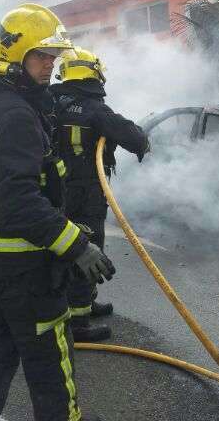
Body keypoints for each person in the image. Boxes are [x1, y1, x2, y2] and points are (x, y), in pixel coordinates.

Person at [0, 3, 115, 421]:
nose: (50, 65)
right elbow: (18, 202)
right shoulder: (16, 115)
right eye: (41, 55)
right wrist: (76, 244)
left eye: (53, 56)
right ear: (15, 54)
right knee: (51, 369)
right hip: (22, 271)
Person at [50, 47, 149, 342]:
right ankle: (79, 324)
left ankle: (84, 303)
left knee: (66, 248)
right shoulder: (94, 109)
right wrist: (143, 140)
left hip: (55, 191)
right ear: (93, 73)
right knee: (88, 250)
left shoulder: (50, 103)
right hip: (86, 194)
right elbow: (133, 137)